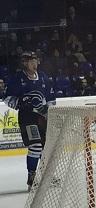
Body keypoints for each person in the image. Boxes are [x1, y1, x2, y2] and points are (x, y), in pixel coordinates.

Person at [4, 51, 55, 189]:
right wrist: (22, 102)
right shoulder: (17, 79)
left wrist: (48, 112)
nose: (35, 63)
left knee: (46, 147)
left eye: (36, 60)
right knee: (35, 146)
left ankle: (47, 176)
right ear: (25, 63)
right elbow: (8, 99)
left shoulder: (43, 77)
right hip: (27, 118)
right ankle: (31, 177)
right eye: (31, 60)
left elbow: (51, 99)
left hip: (42, 118)